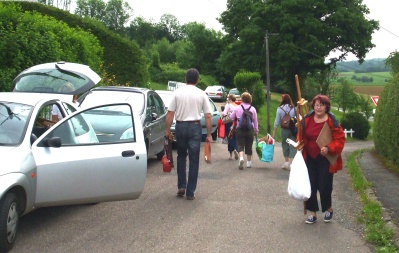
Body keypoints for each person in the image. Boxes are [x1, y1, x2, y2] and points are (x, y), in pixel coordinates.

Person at [165, 68, 212, 200]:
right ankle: (190, 192)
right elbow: (208, 116)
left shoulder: (177, 93)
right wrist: (208, 134)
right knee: (194, 159)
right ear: (197, 80)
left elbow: (170, 113)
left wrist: (167, 130)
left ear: (186, 79)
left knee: (181, 156)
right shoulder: (202, 94)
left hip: (180, 126)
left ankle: (181, 186)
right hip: (195, 127)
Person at [300, 94, 345, 224]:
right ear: (313, 106)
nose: (318, 107)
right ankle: (312, 213)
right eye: (316, 105)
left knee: (324, 185)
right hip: (309, 157)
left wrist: (329, 148)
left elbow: (340, 139)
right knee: (310, 186)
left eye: (322, 105)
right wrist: (300, 142)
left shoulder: (332, 121)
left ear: (326, 107)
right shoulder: (307, 119)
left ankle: (328, 209)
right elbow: (301, 135)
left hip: (325, 159)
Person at [230, 92, 258, 170]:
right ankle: (248, 163)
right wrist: (256, 130)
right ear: (250, 100)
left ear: (242, 99)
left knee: (240, 145)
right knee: (249, 146)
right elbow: (255, 121)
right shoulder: (253, 109)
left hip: (240, 129)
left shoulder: (237, 108)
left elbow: (232, 117)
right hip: (250, 130)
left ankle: (241, 158)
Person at [272, 94, 297, 170]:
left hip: (284, 129)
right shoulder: (293, 108)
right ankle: (292, 163)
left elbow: (276, 122)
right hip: (293, 129)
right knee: (293, 145)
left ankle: (286, 163)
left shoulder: (279, 109)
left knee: (285, 144)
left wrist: (274, 134)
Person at [222, 94, 239, 160]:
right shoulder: (237, 106)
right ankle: (236, 149)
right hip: (236, 124)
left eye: (228, 99)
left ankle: (232, 154)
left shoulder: (228, 105)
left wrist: (223, 115)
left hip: (229, 123)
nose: (227, 100)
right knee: (235, 137)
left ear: (230, 99)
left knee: (229, 137)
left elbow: (224, 113)